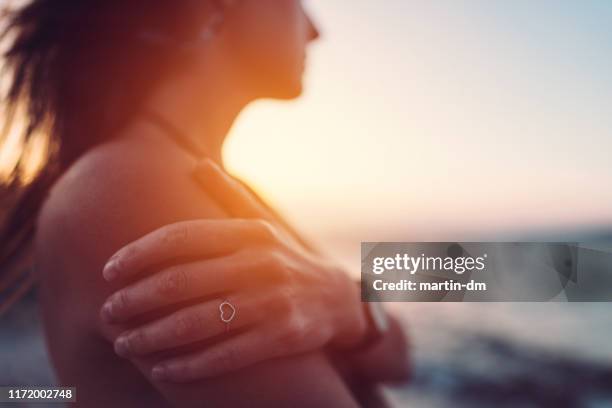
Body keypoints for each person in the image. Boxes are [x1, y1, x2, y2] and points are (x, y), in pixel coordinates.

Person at [0, 0, 410, 406]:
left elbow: (401, 358)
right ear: (212, 7)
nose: (315, 30)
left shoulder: (223, 189)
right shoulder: (133, 187)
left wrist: (346, 304)